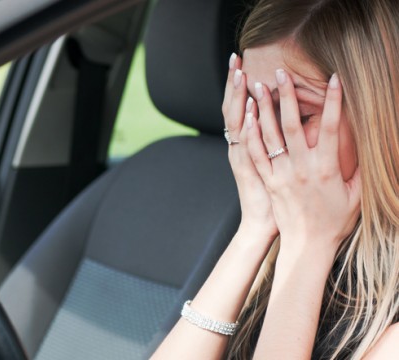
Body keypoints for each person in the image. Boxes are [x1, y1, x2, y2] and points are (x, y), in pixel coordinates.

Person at [151, 0, 399, 358]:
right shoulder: (273, 244)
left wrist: (309, 242)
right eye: (253, 108)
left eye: (298, 114)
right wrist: (255, 227)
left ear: (379, 119)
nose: (268, 140)